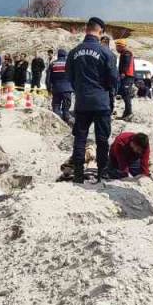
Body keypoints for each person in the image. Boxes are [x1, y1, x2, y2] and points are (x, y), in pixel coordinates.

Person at [65, 17, 117, 183]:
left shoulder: (74, 52)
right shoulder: (106, 53)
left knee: (80, 139)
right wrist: (109, 93)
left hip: (82, 102)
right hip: (101, 101)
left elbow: (69, 77)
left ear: (86, 29)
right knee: (102, 140)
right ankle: (102, 173)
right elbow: (113, 79)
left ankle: (78, 175)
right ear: (100, 31)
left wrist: (79, 90)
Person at [48, 48, 73, 121]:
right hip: (67, 90)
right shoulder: (69, 64)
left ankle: (57, 122)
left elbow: (48, 78)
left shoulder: (52, 64)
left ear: (58, 55)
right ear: (65, 55)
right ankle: (66, 121)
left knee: (56, 106)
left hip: (56, 89)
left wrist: (49, 88)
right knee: (66, 108)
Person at [116, 39, 136, 121]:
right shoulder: (124, 53)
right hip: (126, 76)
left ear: (121, 46)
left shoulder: (126, 53)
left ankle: (129, 113)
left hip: (127, 76)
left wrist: (123, 73)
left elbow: (126, 63)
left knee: (127, 95)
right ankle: (126, 113)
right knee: (125, 95)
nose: (116, 48)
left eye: (117, 46)